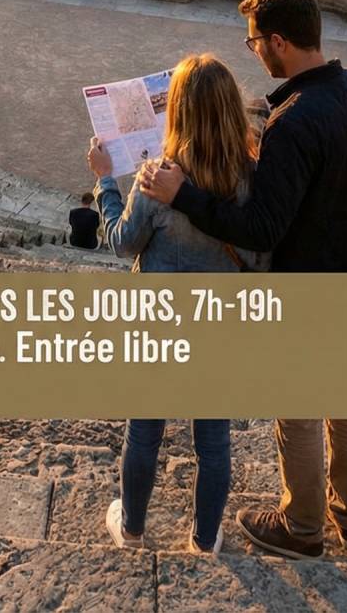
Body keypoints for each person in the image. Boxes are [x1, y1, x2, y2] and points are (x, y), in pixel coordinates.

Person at [142, 0, 347, 561]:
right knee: (345, 392)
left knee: (300, 408)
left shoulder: (293, 122)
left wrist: (184, 194)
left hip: (311, 285)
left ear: (280, 42)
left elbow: (259, 228)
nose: (253, 50)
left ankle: (303, 527)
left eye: (256, 40)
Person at [89, 54, 267, 557]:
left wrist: (105, 181)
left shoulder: (157, 177)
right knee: (213, 441)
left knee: (144, 430)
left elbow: (123, 242)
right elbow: (261, 250)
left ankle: (132, 528)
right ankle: (205, 539)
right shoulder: (251, 178)